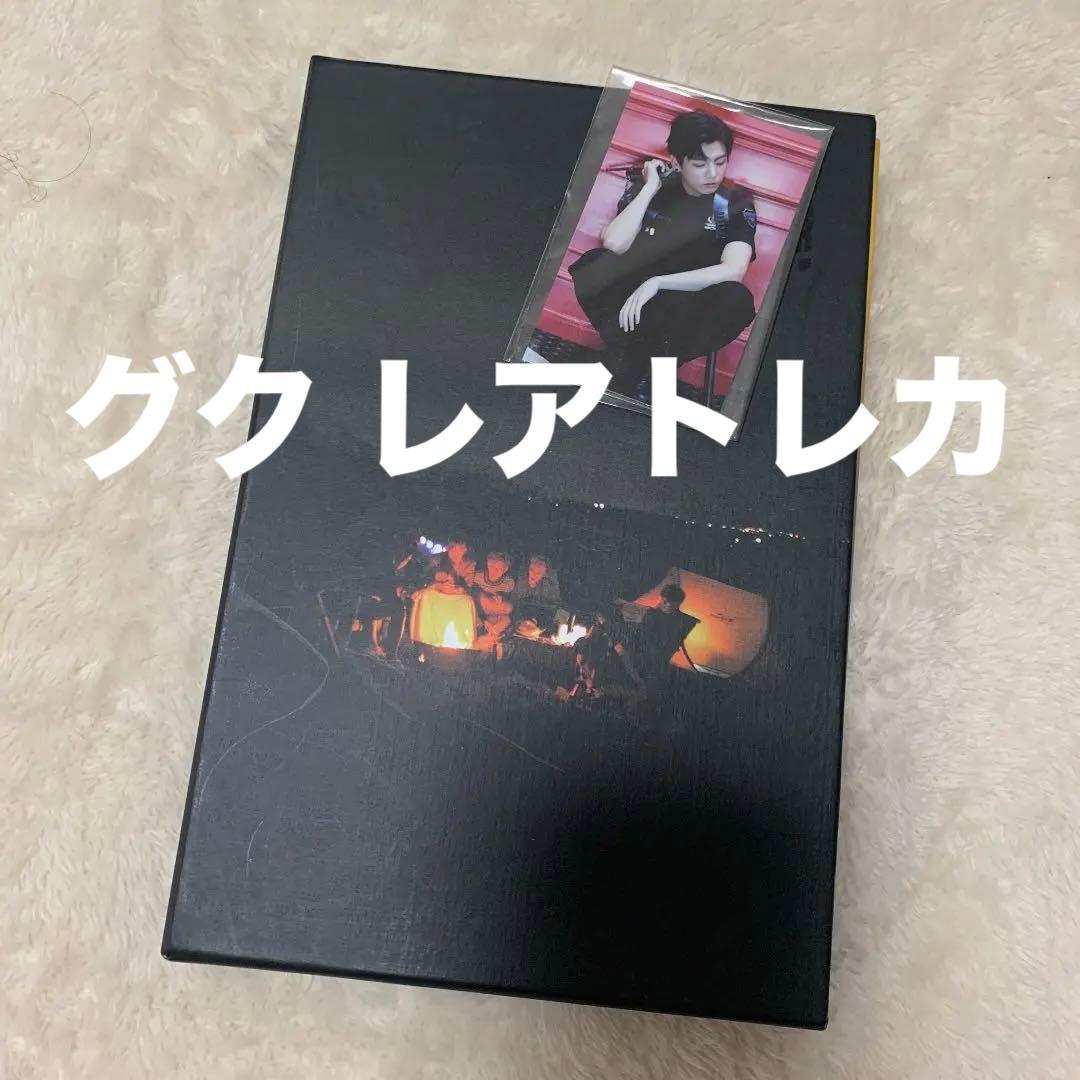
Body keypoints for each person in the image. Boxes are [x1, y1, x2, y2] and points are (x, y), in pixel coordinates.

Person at [569, 109, 758, 401]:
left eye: (720, 162)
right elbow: (615, 244)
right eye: (700, 164)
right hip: (637, 301)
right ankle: (646, 366)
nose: (712, 173)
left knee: (737, 298)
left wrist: (658, 283)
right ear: (677, 162)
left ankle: (631, 363)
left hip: (686, 304)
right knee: (593, 264)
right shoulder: (656, 188)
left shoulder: (731, 201)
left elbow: (734, 269)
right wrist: (649, 188)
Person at [615, 583, 699, 692]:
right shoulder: (649, 614)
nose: (674, 608)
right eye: (671, 605)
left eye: (675, 605)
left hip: (651, 662)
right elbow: (637, 635)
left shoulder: (679, 620)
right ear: (663, 599)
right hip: (639, 657)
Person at [473, 551, 516, 648]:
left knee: (506, 617)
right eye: (491, 567)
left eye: (498, 569)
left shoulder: (508, 583)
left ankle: (491, 636)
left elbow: (507, 604)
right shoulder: (477, 577)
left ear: (505, 569)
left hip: (495, 612)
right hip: (479, 609)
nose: (494, 572)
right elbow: (474, 597)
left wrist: (500, 598)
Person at [511, 555, 562, 633]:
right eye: (531, 570)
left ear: (544, 574)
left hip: (542, 615)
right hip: (523, 614)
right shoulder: (522, 578)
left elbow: (554, 605)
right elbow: (515, 600)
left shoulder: (550, 583)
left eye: (538, 573)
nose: (533, 574)